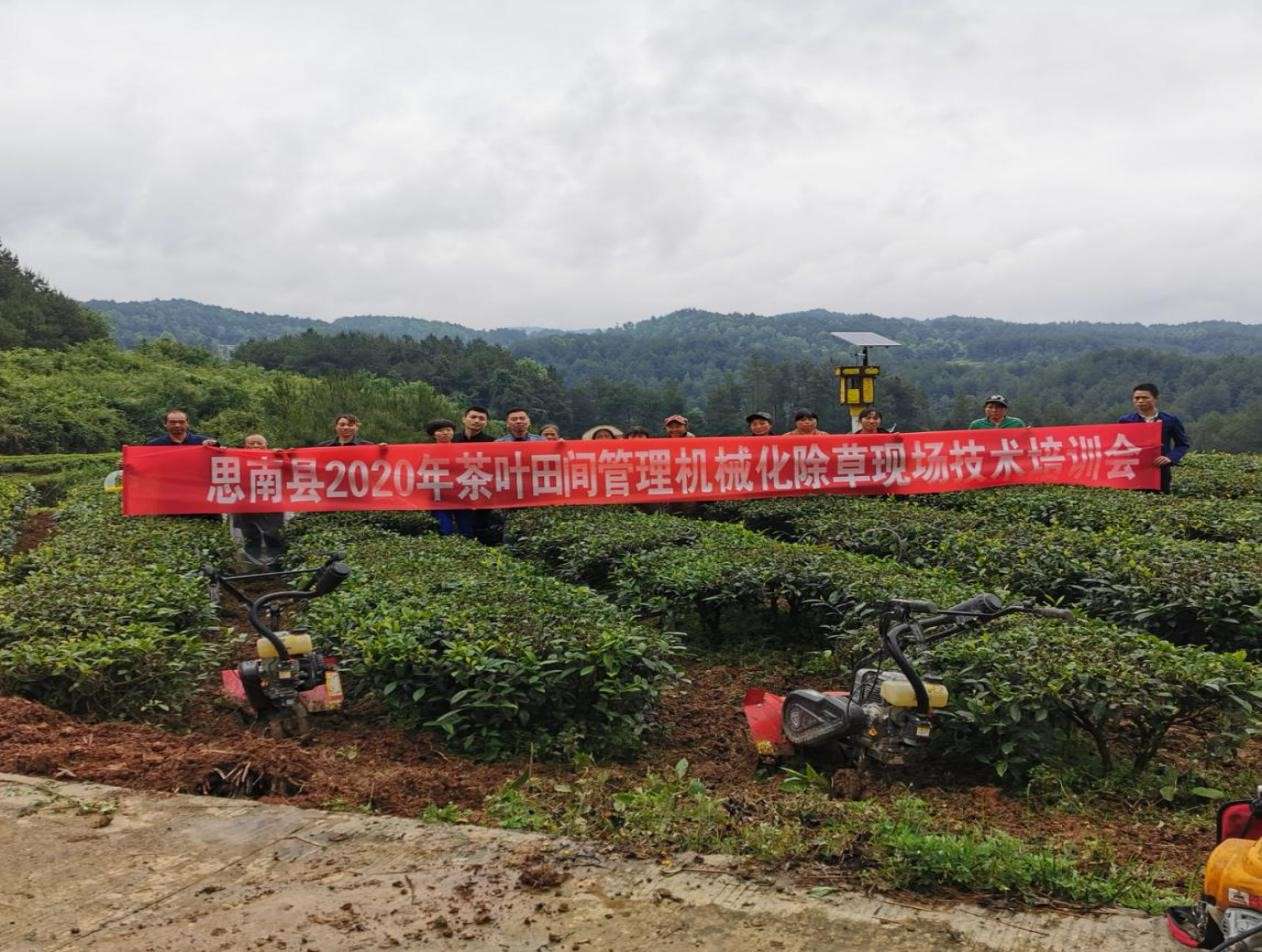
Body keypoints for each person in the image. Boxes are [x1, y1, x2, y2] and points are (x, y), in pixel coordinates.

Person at [1118, 383, 1190, 493]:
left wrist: (1170, 458)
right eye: (1136, 398)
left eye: (1145, 398)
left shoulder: (1170, 420)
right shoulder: (1126, 421)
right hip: (1133, 470)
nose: (1140, 401)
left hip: (1160, 471)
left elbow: (1182, 444)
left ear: (1155, 399)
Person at [233, 434, 285, 567]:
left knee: (274, 536)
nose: (256, 446)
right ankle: (253, 568)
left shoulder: (276, 458)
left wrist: (283, 455)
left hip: (271, 506)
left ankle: (277, 567)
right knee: (251, 538)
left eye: (259, 443)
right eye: (251, 443)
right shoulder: (235, 459)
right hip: (246, 506)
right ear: (245, 446)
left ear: (266, 445)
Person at [452, 406, 499, 543]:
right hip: (457, 491)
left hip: (483, 492)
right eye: (473, 417)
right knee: (460, 530)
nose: (477, 421)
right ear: (464, 419)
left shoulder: (493, 443)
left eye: (481, 418)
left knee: (481, 528)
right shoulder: (451, 441)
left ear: (486, 422)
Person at [425, 419, 458, 534]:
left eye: (448, 430)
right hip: (438, 494)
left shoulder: (463, 450)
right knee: (445, 528)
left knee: (466, 527)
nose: (445, 433)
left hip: (461, 493)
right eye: (440, 430)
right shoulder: (425, 451)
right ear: (433, 434)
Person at [147, 408, 218, 446]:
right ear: (165, 424)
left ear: (187, 423)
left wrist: (216, 445)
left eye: (181, 422)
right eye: (172, 422)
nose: (177, 425)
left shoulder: (203, 442)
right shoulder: (155, 445)